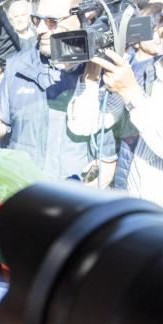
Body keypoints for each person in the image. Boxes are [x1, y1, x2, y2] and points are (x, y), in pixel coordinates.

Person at [0, 0, 117, 181]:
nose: (40, 30)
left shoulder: (104, 73)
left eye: (52, 21)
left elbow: (106, 159)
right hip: (22, 197)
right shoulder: (18, 65)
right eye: (37, 20)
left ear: (85, 18)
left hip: (72, 201)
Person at [66, 3, 163, 193]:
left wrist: (131, 92)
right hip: (129, 195)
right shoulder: (142, 71)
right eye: (158, 27)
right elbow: (88, 124)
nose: (159, 36)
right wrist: (91, 75)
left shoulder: (139, 78)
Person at [0, 0, 37, 70]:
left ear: (30, 17)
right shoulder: (7, 38)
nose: (19, 19)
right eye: (16, 16)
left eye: (23, 15)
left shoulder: (39, 37)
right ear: (11, 18)